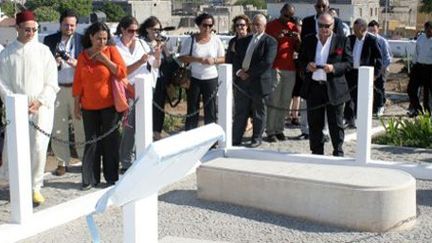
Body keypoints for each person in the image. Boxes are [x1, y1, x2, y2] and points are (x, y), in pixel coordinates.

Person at [0, 10, 59, 205]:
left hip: (40, 109)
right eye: (27, 29)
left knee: (38, 147)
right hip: (17, 109)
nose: (31, 32)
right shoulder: (6, 54)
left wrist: (41, 101)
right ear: (17, 28)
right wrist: (16, 101)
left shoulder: (44, 51)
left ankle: (35, 187)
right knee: (16, 147)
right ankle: (16, 186)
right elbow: (2, 83)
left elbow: (51, 81)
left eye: (34, 29)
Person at [73, 22, 127, 190]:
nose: (101, 42)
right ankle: (90, 178)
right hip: (88, 106)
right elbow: (78, 83)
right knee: (91, 142)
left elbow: (122, 72)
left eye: (105, 39)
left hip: (109, 105)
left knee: (111, 141)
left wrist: (105, 60)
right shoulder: (83, 56)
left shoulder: (111, 51)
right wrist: (76, 104)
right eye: (98, 39)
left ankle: (111, 177)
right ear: (91, 37)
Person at [298, 12, 352, 156]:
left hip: (335, 88)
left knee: (336, 123)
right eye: (321, 25)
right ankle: (316, 152)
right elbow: (300, 60)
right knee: (315, 123)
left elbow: (348, 63)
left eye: (327, 26)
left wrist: (334, 68)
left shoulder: (342, 40)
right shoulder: (309, 40)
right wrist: (307, 66)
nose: (323, 29)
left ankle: (338, 152)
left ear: (333, 25)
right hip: (314, 87)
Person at [115, 16, 159, 172]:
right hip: (126, 89)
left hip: (144, 88)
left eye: (136, 30)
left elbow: (154, 64)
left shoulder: (142, 43)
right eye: (130, 30)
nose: (134, 33)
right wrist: (140, 62)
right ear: (122, 29)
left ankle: (140, 156)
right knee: (129, 126)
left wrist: (158, 54)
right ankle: (126, 160)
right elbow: (121, 72)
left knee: (143, 125)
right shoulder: (115, 46)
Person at [43, 9, 85, 176]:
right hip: (57, 88)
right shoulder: (49, 40)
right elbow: (44, 66)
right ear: (60, 24)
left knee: (80, 126)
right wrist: (55, 61)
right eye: (66, 25)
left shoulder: (82, 41)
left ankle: (83, 159)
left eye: (72, 25)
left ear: (76, 26)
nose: (69, 28)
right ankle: (62, 162)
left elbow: (87, 67)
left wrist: (74, 62)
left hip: (77, 89)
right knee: (58, 127)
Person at [232, 14, 278, 148]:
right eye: (254, 24)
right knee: (241, 111)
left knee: (259, 112)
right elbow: (236, 58)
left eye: (258, 24)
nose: (255, 27)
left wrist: (249, 73)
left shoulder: (270, 42)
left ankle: (256, 138)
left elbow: (266, 62)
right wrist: (239, 71)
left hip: (259, 82)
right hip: (242, 82)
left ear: (264, 26)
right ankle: (236, 138)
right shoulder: (242, 41)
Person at [178, 13, 225, 130]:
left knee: (210, 108)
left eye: (210, 25)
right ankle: (191, 134)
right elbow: (182, 57)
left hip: (211, 78)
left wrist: (213, 60)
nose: (208, 28)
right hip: (194, 78)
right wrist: (198, 59)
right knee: (192, 108)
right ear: (199, 25)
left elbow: (223, 58)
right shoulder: (191, 40)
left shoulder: (216, 40)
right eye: (205, 25)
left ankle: (211, 137)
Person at [265, 3, 300, 142]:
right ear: (281, 11)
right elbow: (265, 44)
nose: (288, 19)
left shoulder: (293, 27)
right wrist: (277, 38)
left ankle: (279, 129)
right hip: (275, 67)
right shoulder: (271, 25)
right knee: (274, 99)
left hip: (290, 68)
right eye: (286, 15)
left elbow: (298, 48)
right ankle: (270, 130)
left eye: (290, 16)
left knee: (285, 101)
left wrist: (297, 39)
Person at [344, 18, 382, 129]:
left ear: (363, 29)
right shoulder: (350, 39)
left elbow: (379, 59)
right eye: (353, 29)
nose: (354, 31)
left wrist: (376, 75)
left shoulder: (372, 40)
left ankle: (360, 119)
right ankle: (349, 119)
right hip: (351, 73)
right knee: (348, 97)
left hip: (364, 74)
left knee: (360, 98)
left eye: (356, 29)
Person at [138, 16, 168, 141]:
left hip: (159, 78)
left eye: (159, 29)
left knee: (159, 107)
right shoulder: (140, 42)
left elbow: (169, 60)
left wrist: (163, 49)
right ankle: (144, 133)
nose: (157, 32)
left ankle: (157, 131)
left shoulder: (160, 42)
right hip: (144, 79)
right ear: (147, 29)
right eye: (154, 29)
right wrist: (153, 51)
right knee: (145, 108)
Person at [226, 15, 253, 142]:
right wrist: (238, 72)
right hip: (238, 79)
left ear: (247, 25)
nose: (240, 27)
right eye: (237, 25)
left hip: (252, 78)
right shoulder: (233, 42)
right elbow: (229, 59)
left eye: (242, 25)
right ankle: (236, 136)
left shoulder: (252, 40)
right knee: (240, 108)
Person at [368, 20, 392, 117]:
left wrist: (381, 70)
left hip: (381, 69)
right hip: (370, 68)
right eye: (370, 30)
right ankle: (373, 107)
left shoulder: (382, 41)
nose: (372, 33)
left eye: (374, 30)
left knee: (379, 88)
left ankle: (380, 107)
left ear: (378, 30)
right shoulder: (367, 40)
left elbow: (387, 58)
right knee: (371, 89)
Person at [407, 21, 432, 116]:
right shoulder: (421, 38)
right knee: (411, 89)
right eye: (427, 30)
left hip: (430, 69)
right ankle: (417, 109)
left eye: (430, 30)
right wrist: (413, 66)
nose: (428, 32)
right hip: (418, 66)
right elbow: (416, 52)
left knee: (428, 93)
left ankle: (428, 113)